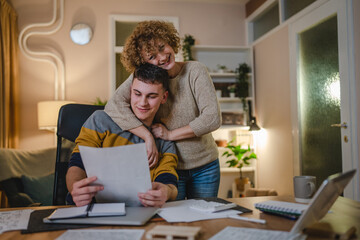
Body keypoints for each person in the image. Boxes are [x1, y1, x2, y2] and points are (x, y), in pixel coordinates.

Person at [105, 20, 221, 200]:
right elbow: (113, 106)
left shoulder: (195, 71)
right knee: (172, 221)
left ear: (170, 41)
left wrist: (169, 135)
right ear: (143, 63)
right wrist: (147, 135)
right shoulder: (143, 77)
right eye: (151, 57)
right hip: (170, 167)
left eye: (162, 47)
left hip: (206, 165)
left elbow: (212, 118)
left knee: (204, 219)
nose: (161, 57)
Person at [66, 63, 178, 207]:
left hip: (140, 211)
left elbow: (169, 183)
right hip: (90, 207)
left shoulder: (165, 140)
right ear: (130, 91)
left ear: (164, 97)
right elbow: (77, 163)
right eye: (137, 94)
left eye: (151, 96)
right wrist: (75, 188)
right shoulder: (100, 120)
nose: (142, 103)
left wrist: (166, 192)